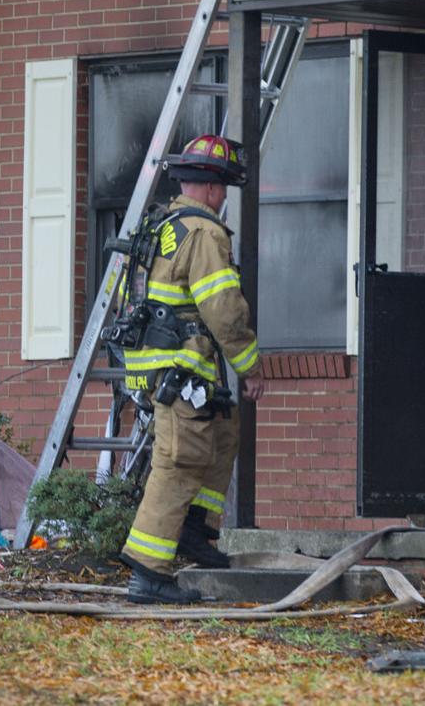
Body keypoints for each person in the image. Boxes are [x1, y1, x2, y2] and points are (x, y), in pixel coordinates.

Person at [120, 135, 266, 604]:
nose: (223, 197)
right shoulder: (203, 232)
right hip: (180, 364)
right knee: (180, 460)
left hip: (165, 363)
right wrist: (250, 366)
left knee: (222, 431)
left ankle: (193, 530)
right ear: (209, 189)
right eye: (221, 187)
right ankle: (148, 572)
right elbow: (223, 307)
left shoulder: (162, 224)